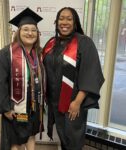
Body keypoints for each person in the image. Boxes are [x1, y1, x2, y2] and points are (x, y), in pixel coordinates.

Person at [42, 7, 104, 150]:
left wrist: (77, 102)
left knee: (73, 139)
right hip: (55, 102)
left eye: (69, 19)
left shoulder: (84, 43)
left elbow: (91, 73)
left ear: (75, 22)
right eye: (61, 18)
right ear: (56, 22)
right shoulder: (52, 43)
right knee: (63, 136)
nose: (64, 22)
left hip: (73, 103)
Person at [0, 7, 45, 150]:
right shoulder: (6, 54)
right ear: (18, 32)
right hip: (14, 106)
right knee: (15, 141)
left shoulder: (39, 54)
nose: (30, 33)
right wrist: (6, 108)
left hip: (33, 105)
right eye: (26, 29)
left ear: (37, 34)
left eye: (33, 30)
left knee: (31, 135)